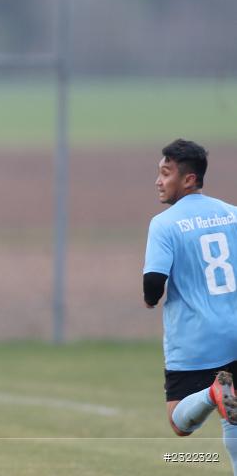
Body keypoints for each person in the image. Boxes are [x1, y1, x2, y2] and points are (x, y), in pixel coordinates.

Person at [143, 139, 237, 473]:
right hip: (235, 333)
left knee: (180, 422)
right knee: (234, 421)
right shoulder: (232, 213)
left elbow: (154, 281)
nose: (158, 181)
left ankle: (213, 393)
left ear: (189, 179)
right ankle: (222, 395)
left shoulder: (165, 223)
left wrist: (150, 300)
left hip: (196, 339)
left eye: (166, 173)